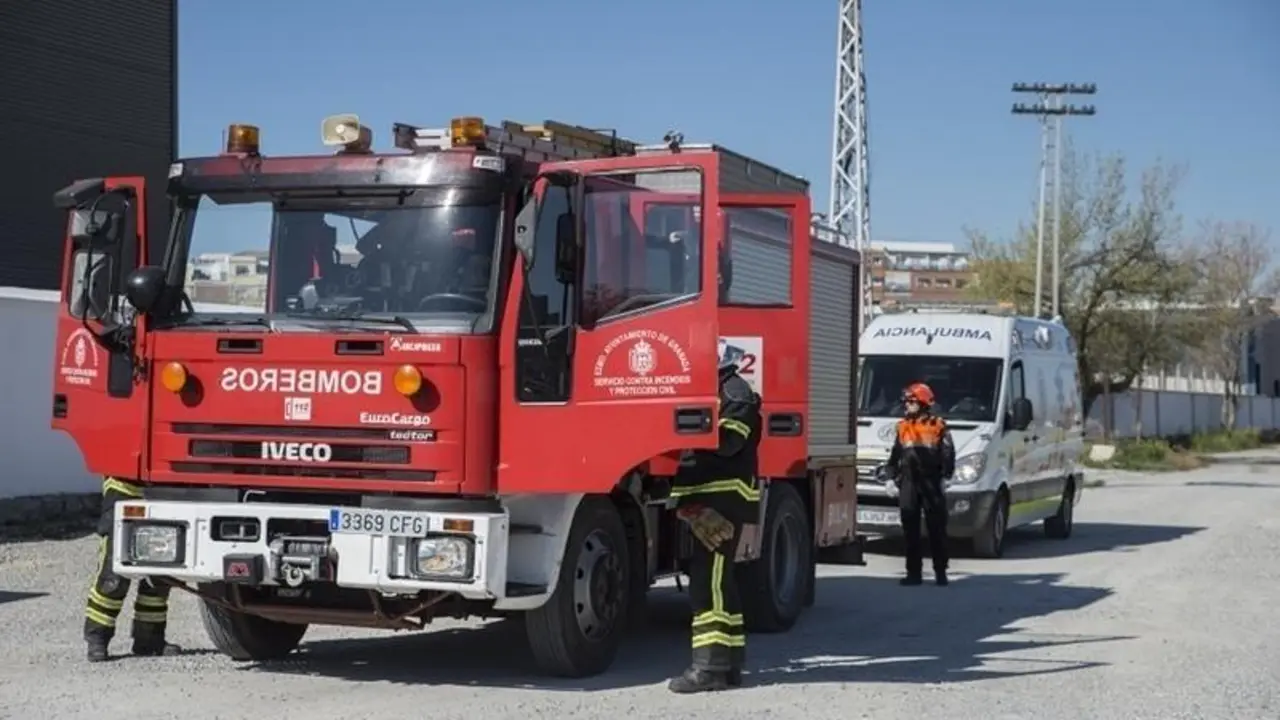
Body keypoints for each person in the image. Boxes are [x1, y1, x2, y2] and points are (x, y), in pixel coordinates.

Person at [666, 352, 762, 694]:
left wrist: (684, 430)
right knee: (721, 582)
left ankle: (709, 668)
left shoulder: (735, 393)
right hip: (713, 498)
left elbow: (729, 441)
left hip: (723, 499)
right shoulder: (724, 390)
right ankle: (729, 664)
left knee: (708, 585)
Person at [84, 477, 178, 662]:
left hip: (163, 487)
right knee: (113, 577)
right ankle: (97, 638)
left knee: (159, 572)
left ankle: (149, 639)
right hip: (124, 486)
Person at [884, 382, 955, 587]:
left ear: (923, 403)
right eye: (906, 401)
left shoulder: (938, 426)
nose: (907, 405)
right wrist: (890, 477)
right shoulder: (903, 427)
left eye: (911, 401)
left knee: (936, 528)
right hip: (909, 482)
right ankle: (913, 573)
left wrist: (946, 476)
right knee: (910, 528)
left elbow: (948, 453)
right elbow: (895, 455)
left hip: (932, 481)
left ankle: (940, 571)